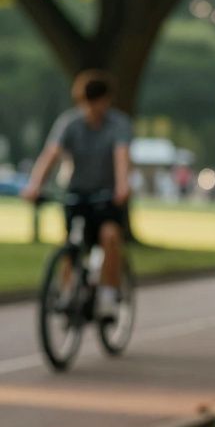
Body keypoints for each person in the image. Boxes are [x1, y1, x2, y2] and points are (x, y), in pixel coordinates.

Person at [21, 70, 133, 320]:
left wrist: (123, 185)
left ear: (107, 100)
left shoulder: (118, 124)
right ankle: (67, 291)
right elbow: (50, 155)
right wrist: (34, 185)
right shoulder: (70, 123)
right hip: (76, 192)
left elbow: (121, 157)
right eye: (87, 103)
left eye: (97, 102)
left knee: (110, 236)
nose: (92, 109)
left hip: (107, 195)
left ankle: (107, 297)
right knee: (71, 245)